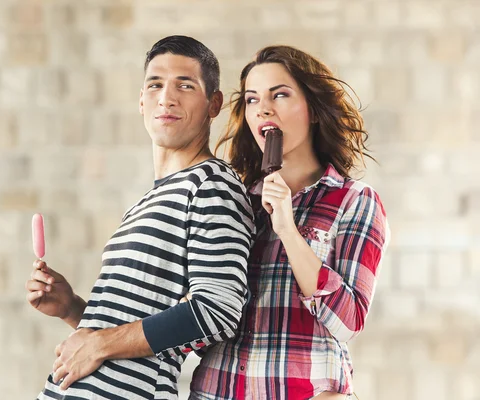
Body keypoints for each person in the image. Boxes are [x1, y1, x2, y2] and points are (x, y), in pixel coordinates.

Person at [26, 35, 255, 400]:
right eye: (155, 84)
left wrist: (100, 343)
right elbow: (138, 324)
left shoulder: (212, 185)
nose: (167, 97)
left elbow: (218, 310)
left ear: (214, 104)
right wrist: (72, 308)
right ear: (141, 100)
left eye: (185, 85)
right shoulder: (150, 200)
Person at [189, 45, 390, 400]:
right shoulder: (233, 202)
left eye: (279, 95)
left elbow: (347, 321)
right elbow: (196, 323)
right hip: (215, 391)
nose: (263, 108)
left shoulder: (355, 202)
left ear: (312, 110)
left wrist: (287, 228)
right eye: (252, 99)